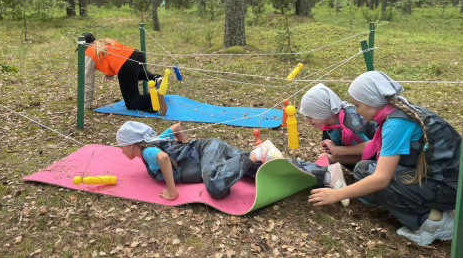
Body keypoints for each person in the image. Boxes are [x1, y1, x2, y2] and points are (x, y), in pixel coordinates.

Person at [308, 71, 460, 246]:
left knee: (369, 172)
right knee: (363, 169)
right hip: (447, 180)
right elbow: (379, 145)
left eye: (357, 105)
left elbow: (381, 178)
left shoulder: (396, 124)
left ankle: (433, 223)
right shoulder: (399, 110)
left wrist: (336, 194)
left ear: (372, 102)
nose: (356, 110)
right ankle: (428, 210)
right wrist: (339, 152)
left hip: (451, 190)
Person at [116, 121, 350, 204]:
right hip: (210, 150)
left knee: (217, 187)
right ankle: (327, 173)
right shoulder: (154, 139)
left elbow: (163, 158)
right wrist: (186, 148)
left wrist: (171, 190)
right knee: (261, 171)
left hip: (208, 150)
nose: (121, 150)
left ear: (130, 144)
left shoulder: (148, 152)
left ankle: (255, 153)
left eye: (121, 146)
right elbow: (177, 128)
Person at [299, 83, 377, 167]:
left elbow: (378, 146)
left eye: (311, 116)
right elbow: (338, 154)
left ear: (323, 111)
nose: (307, 120)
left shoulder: (356, 120)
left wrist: (338, 151)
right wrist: (332, 157)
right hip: (362, 161)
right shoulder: (329, 127)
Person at [81, 33, 162, 112]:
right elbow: (115, 57)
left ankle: (153, 98)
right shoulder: (105, 43)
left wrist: (85, 105)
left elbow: (87, 81)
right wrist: (110, 72)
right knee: (134, 72)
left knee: (131, 103)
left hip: (126, 65)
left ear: (83, 46)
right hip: (137, 55)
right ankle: (155, 78)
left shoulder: (89, 52)